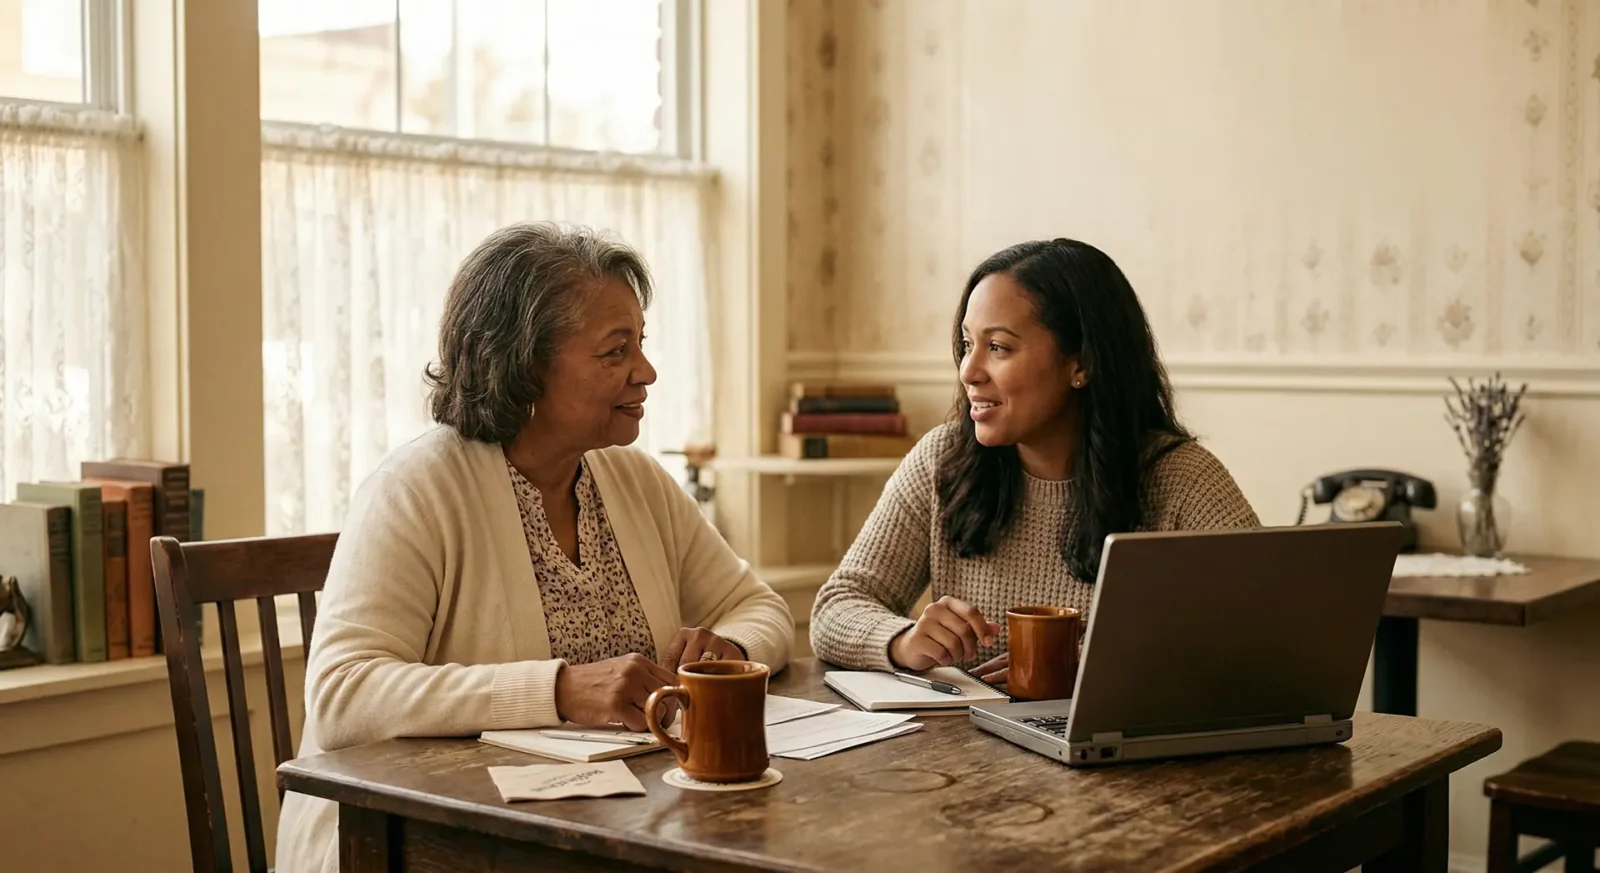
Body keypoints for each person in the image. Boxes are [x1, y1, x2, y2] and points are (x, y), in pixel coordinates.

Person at [275, 222, 793, 873]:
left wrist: (730, 650)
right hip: (416, 846)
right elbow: (344, 695)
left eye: (641, 343)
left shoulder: (634, 480)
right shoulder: (414, 490)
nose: (647, 371)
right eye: (615, 351)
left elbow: (760, 606)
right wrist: (560, 689)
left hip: (609, 834)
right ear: (523, 366)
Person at [809, 238, 1258, 685]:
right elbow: (837, 606)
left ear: (1080, 363)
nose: (969, 370)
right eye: (967, 344)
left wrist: (1113, 665)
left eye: (999, 347)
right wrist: (903, 640)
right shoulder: (941, 459)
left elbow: (1271, 629)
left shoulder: (1181, 478)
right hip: (962, 749)